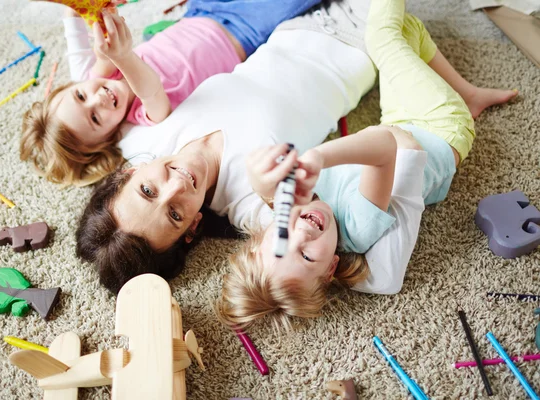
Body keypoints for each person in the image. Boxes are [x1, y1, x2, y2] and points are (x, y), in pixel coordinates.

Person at [76, 0, 515, 295]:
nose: (176, 189)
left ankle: (466, 92)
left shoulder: (142, 138)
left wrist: (114, 51)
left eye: (148, 191)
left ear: (128, 173)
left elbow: (80, 105)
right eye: (174, 213)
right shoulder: (246, 206)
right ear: (191, 229)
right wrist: (273, 190)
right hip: (357, 40)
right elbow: (297, 229)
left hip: (292, 26)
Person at [216, 0, 517, 333]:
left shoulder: (293, 210)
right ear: (331, 268)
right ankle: (462, 101)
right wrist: (320, 157)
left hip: (402, 121)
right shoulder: (358, 229)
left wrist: (264, 184)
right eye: (307, 257)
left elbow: (271, 197)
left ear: (265, 234)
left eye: (284, 240)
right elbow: (385, 147)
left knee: (406, 30)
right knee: (382, 38)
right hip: (441, 128)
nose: (303, 233)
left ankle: (468, 94)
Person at [20, 0, 322, 186]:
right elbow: (152, 90)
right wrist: (124, 57)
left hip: (200, 11)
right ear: (107, 138)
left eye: (81, 96)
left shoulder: (95, 76)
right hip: (243, 32)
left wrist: (95, 18)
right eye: (96, 118)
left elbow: (84, 32)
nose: (98, 99)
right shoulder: (142, 115)